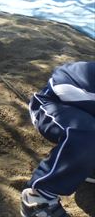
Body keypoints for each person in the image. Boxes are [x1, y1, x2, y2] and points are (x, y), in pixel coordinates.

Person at [20, 61, 95, 217]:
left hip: (83, 107)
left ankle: (88, 167)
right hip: (51, 103)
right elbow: (62, 78)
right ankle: (38, 198)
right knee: (87, 134)